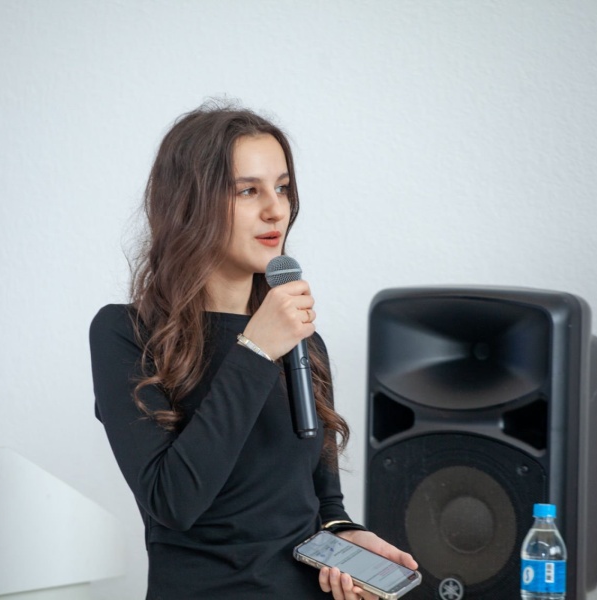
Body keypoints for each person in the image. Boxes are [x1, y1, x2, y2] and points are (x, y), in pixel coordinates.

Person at [89, 101, 417, 599]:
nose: (276, 209)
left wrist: (346, 535)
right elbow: (173, 500)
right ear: (189, 204)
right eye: (248, 191)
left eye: (282, 188)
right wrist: (257, 350)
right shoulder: (127, 333)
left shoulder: (303, 340)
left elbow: (323, 503)